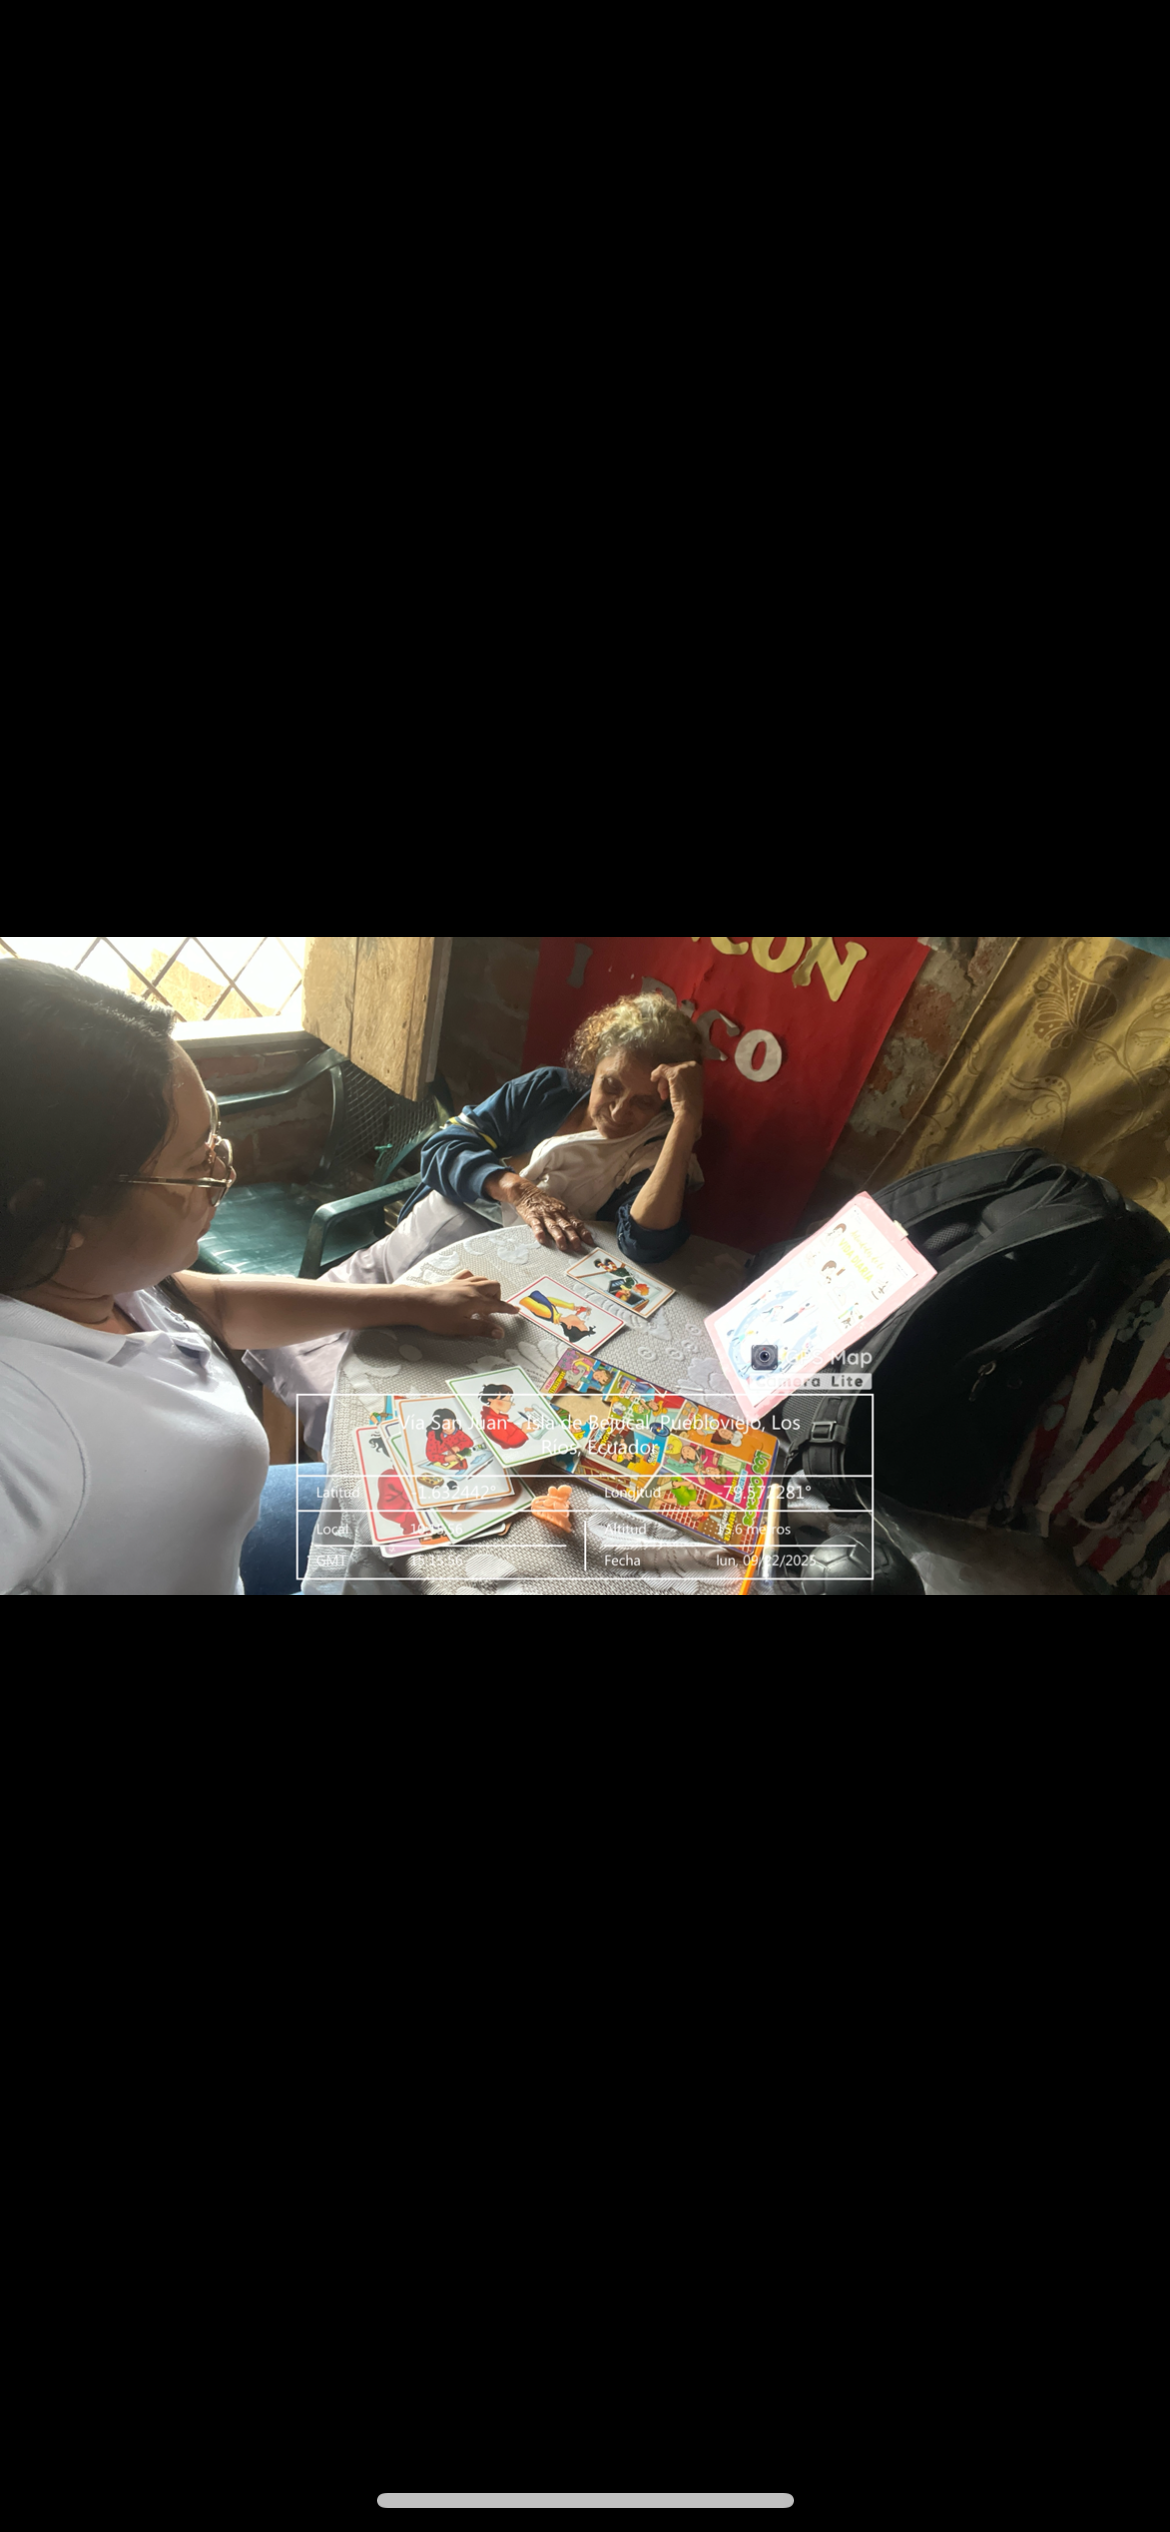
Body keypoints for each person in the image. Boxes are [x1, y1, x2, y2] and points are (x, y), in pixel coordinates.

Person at [0, 961, 511, 1595]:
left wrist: (411, 1300)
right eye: (195, 1164)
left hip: (219, 1531)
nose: (223, 1172)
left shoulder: (85, 1275)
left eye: (214, 1137)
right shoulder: (22, 1429)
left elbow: (212, 1305)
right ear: (60, 1212)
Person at [394, 992, 707, 1265]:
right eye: (611, 1085)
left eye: (644, 1102)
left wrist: (686, 1119)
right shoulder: (548, 1089)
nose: (618, 1111)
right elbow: (441, 1148)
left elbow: (645, 1244)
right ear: (594, 1063)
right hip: (426, 1226)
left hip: (508, 1266)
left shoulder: (650, 1149)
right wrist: (517, 1190)